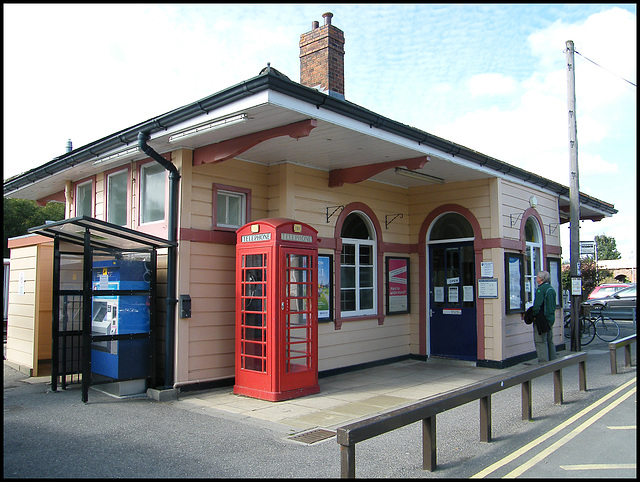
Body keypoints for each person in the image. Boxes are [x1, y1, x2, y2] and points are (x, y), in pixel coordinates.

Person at [531, 270, 557, 362]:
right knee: (549, 341)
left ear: (541, 279)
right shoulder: (551, 289)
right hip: (550, 318)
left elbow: (537, 306)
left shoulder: (540, 290)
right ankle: (553, 360)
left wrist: (533, 315)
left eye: (537, 276)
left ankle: (543, 363)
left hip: (542, 320)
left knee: (540, 341)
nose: (536, 278)